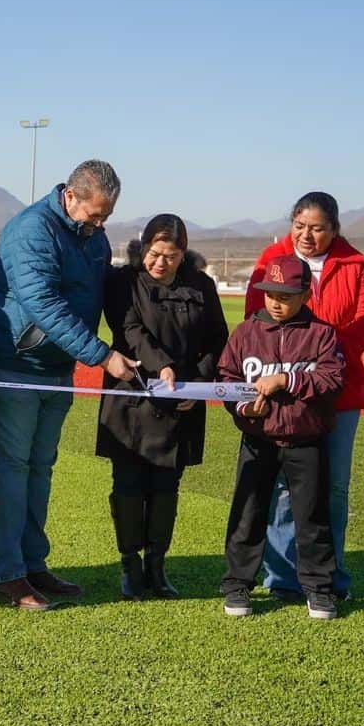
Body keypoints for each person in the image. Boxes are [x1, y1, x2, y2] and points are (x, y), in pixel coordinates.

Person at [0, 160, 139, 611]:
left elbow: (102, 296)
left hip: (56, 369)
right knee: (11, 468)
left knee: (40, 468)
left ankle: (33, 563)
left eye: (107, 216)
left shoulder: (95, 237)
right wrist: (102, 355)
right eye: (95, 214)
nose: (101, 224)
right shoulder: (30, 230)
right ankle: (9, 574)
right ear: (70, 196)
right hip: (12, 363)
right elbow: (41, 302)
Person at [244, 192, 364, 600]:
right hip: (284, 394)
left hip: (338, 392)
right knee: (284, 486)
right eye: (299, 225)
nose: (306, 235)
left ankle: (330, 577)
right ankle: (283, 578)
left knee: (334, 486)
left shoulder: (355, 266)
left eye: (317, 228)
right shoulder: (271, 257)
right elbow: (255, 317)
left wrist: (327, 350)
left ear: (334, 229)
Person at [95, 215, 228, 600]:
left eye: (170, 256)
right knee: (129, 486)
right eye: (154, 254)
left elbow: (218, 339)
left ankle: (157, 566)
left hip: (182, 401)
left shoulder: (201, 286)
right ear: (143, 249)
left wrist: (198, 384)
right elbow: (129, 330)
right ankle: (129, 567)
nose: (160, 263)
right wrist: (161, 366)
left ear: (182, 255)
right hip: (132, 398)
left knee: (167, 487)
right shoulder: (124, 282)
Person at [218, 254, 345, 620]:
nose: (275, 301)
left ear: (306, 294)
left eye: (286, 294)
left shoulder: (321, 334)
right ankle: (237, 584)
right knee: (248, 513)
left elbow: (332, 379)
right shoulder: (245, 332)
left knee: (312, 517)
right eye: (269, 293)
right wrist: (243, 409)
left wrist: (286, 380)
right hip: (259, 439)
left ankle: (319, 590)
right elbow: (227, 378)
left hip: (306, 440)